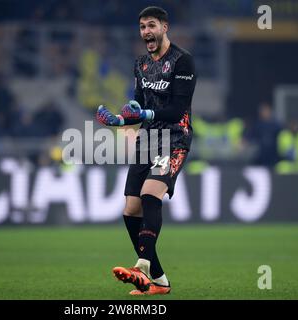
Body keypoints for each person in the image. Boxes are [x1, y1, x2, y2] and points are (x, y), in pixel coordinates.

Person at [96, 6, 197, 295]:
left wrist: (147, 114)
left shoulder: (183, 62)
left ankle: (141, 266)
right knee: (130, 209)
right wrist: (119, 120)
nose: (146, 32)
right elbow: (138, 106)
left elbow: (177, 109)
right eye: (142, 27)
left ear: (165, 27)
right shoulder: (140, 63)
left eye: (151, 26)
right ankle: (160, 280)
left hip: (174, 138)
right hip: (148, 140)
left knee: (150, 194)